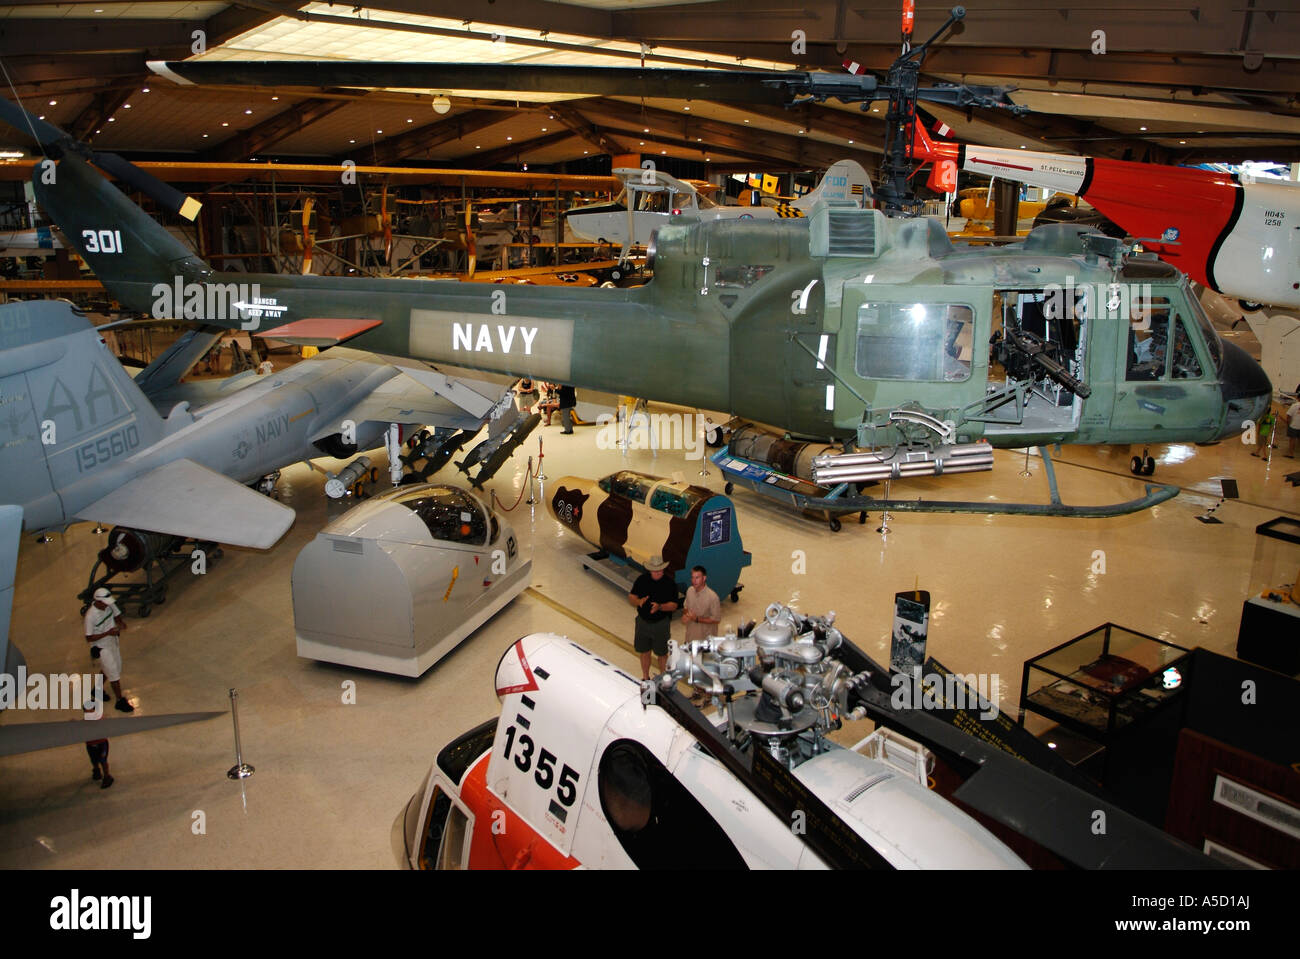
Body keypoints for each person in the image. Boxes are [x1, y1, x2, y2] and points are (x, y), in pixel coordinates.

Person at [628, 555, 678, 680]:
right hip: (643, 622)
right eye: (655, 570)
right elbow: (631, 597)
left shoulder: (670, 584)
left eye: (660, 570)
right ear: (650, 570)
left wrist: (660, 607)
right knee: (644, 651)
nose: (658, 572)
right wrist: (638, 601)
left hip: (660, 624)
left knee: (662, 653)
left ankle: (662, 678)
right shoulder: (642, 580)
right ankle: (645, 676)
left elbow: (674, 605)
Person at [84, 587, 133, 712]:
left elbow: (117, 615)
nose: (108, 605)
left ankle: (97, 689)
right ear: (98, 601)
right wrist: (108, 633)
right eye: (105, 603)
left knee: (113, 667)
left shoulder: (109, 605)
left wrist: (120, 623)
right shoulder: (90, 616)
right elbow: (89, 637)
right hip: (101, 646)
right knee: (113, 673)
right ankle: (119, 701)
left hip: (112, 641)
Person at [681, 565, 721, 644]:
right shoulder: (689, 590)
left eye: (697, 578)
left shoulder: (712, 597)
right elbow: (686, 607)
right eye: (692, 577)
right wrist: (685, 615)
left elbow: (716, 620)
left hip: (705, 642)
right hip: (690, 638)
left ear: (704, 578)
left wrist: (697, 619)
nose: (694, 581)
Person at [83, 701, 114, 789]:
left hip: (102, 744)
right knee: (93, 760)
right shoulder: (84, 722)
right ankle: (96, 770)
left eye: (91, 711)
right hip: (90, 745)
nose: (89, 713)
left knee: (103, 760)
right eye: (87, 711)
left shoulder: (100, 719)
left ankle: (107, 776)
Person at [1287, 392, 1300, 457]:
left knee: (1292, 440)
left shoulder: (1294, 406)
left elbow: (1289, 415)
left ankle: (1291, 453)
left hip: (1294, 425)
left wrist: (1288, 424)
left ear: (1298, 398)